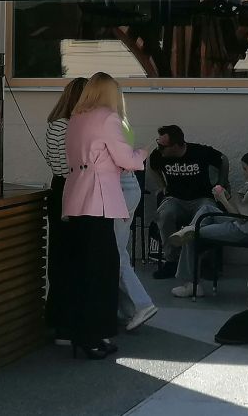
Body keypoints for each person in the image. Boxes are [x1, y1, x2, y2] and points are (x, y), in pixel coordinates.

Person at [60, 72, 145, 360]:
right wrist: (143, 154)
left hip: (76, 197)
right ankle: (95, 335)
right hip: (99, 200)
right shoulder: (109, 118)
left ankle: (81, 333)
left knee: (83, 270)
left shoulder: (76, 118)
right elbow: (125, 159)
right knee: (103, 271)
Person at [168, 151, 248, 298]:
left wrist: (222, 199)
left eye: (245, 169)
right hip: (242, 222)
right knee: (207, 208)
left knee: (191, 236)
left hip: (243, 230)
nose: (244, 173)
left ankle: (192, 284)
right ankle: (190, 229)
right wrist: (227, 196)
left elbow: (241, 218)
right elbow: (241, 210)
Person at [149, 125, 227, 279]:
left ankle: (205, 261)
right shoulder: (159, 155)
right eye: (158, 143)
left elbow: (223, 159)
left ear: (176, 145)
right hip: (175, 198)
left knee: (208, 215)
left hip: (201, 198)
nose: (159, 149)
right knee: (164, 215)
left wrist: (221, 184)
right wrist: (162, 186)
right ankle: (171, 261)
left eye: (163, 146)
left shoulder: (199, 152)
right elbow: (152, 166)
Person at [44, 76, 87, 341]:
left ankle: (59, 316)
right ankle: (64, 321)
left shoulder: (56, 124)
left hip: (62, 189)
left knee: (63, 256)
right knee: (67, 258)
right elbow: (64, 166)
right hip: (69, 191)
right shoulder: (65, 126)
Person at [113, 107, 157, 332]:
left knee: (115, 252)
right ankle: (129, 308)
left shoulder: (109, 122)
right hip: (129, 186)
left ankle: (141, 303)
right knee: (119, 250)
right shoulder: (121, 122)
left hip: (119, 189)